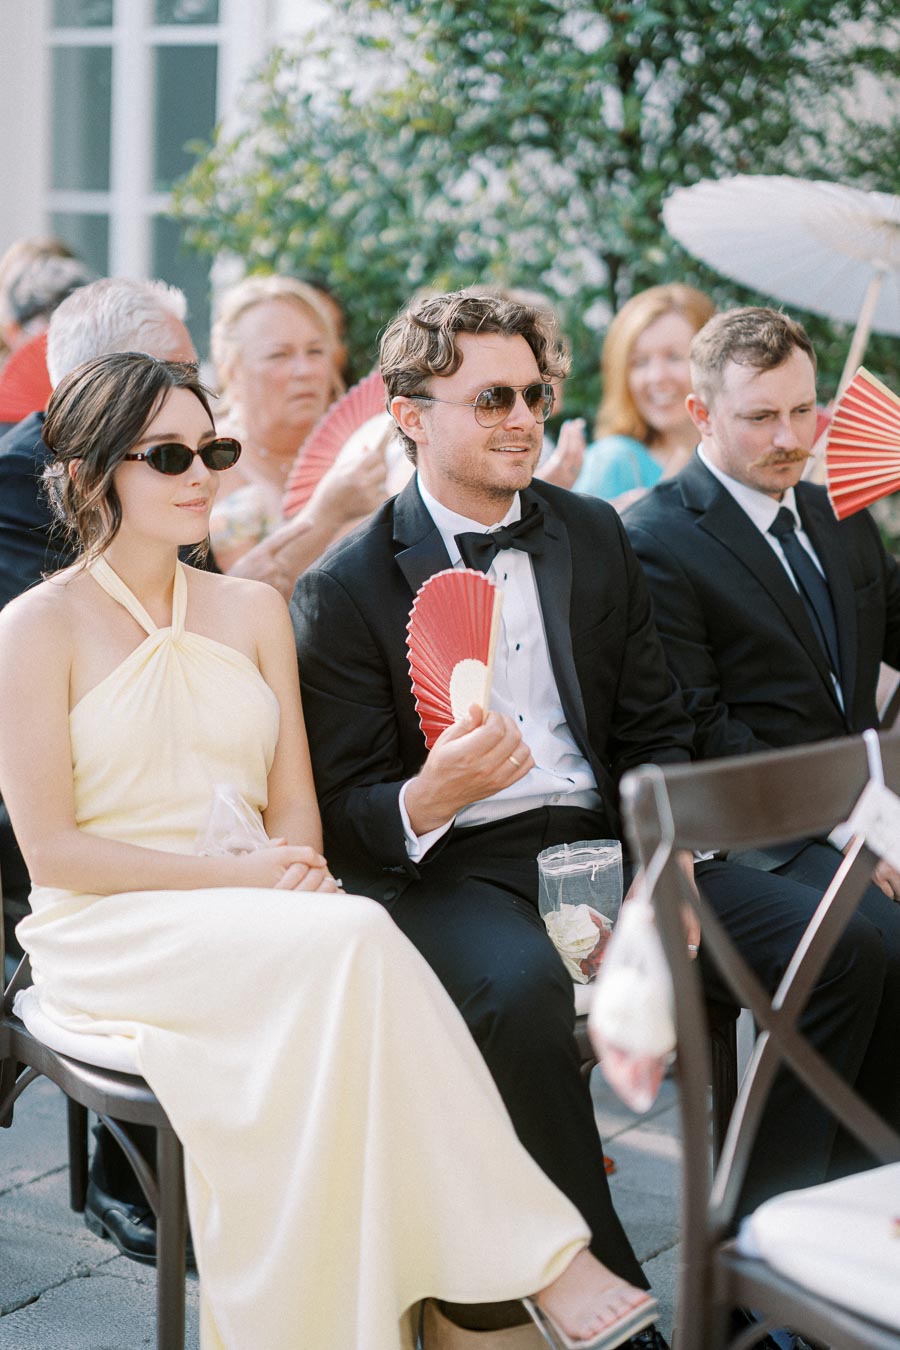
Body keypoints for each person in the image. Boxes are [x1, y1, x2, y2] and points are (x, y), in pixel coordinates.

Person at [0, 349, 662, 1350]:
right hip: (107, 925)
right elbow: (52, 855)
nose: (202, 477)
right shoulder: (33, 629)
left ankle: (445, 1305)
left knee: (347, 941)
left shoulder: (253, 607)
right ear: (93, 476)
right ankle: (530, 1263)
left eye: (212, 450)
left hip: (259, 904)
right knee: (357, 941)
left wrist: (284, 873)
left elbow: (298, 821)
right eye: (168, 456)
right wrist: (244, 880)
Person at [292, 291, 899, 1350]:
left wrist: (665, 865)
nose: (523, 419)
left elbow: (656, 728)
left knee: (847, 946)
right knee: (522, 991)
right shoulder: (343, 588)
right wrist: (433, 792)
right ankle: (615, 1308)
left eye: (534, 394)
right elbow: (347, 821)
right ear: (409, 414)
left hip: (617, 842)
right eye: (491, 399)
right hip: (460, 868)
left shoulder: (589, 535)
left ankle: (757, 1248)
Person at [624, 305, 900, 1175]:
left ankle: (870, 1190)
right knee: (865, 939)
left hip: (860, 806)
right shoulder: (656, 537)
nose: (792, 436)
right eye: (761, 416)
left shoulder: (840, 517)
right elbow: (703, 728)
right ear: (702, 414)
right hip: (748, 830)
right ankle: (766, 1211)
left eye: (803, 410)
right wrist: (851, 823)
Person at [209, 273, 388, 591]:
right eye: (280, 355)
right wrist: (329, 512)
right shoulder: (208, 460)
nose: (305, 371)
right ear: (231, 369)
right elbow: (242, 597)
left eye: (316, 352)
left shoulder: (370, 447)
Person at [573, 284, 714, 510]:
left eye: (674, 357)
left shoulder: (735, 462)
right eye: (640, 362)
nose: (657, 377)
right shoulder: (611, 461)